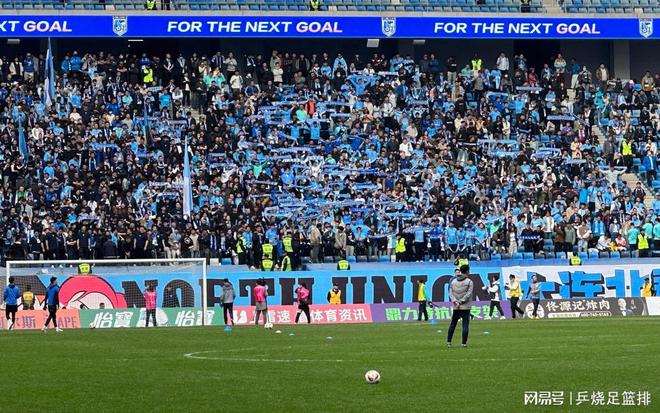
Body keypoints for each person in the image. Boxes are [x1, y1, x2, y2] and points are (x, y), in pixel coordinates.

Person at [447, 265, 473, 348]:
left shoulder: (453, 281)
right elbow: (468, 294)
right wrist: (461, 301)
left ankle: (449, 342)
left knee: (453, 324)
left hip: (456, 306)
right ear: (468, 271)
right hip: (465, 306)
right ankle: (463, 343)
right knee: (465, 325)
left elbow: (450, 292)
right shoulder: (469, 281)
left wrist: (455, 301)